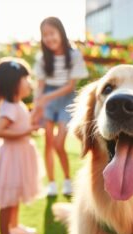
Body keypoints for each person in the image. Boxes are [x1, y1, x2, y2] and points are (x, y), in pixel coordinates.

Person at [0, 58, 43, 234]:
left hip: (19, 155)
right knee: (8, 199)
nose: (29, 83)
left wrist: (30, 127)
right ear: (13, 83)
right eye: (25, 79)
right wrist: (25, 132)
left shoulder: (17, 104)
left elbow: (20, 125)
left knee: (16, 195)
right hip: (12, 158)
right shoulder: (9, 107)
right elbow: (0, 130)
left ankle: (14, 227)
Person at [33, 17, 88, 196]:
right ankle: (51, 183)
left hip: (66, 99)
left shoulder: (74, 56)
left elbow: (71, 86)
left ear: (61, 33)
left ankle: (66, 179)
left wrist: (47, 96)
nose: (49, 38)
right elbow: (40, 86)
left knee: (59, 143)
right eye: (45, 35)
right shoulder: (42, 58)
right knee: (48, 142)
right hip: (48, 99)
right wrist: (36, 107)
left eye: (52, 33)